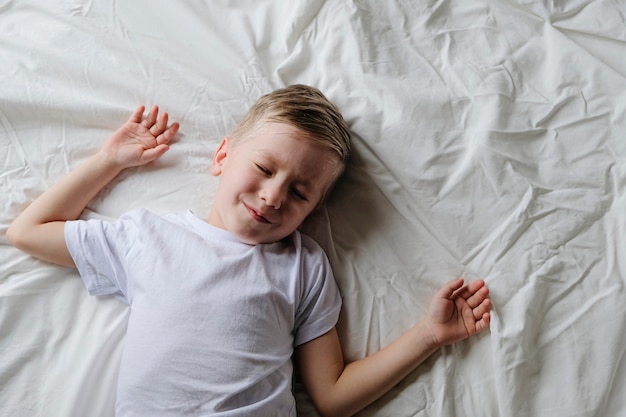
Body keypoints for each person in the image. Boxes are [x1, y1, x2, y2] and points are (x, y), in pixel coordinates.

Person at [7, 84, 491, 417]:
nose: (274, 195)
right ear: (222, 156)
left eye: (300, 193)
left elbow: (333, 397)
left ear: (313, 209)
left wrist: (428, 335)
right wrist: (109, 161)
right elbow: (29, 230)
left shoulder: (304, 266)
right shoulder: (148, 239)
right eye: (263, 167)